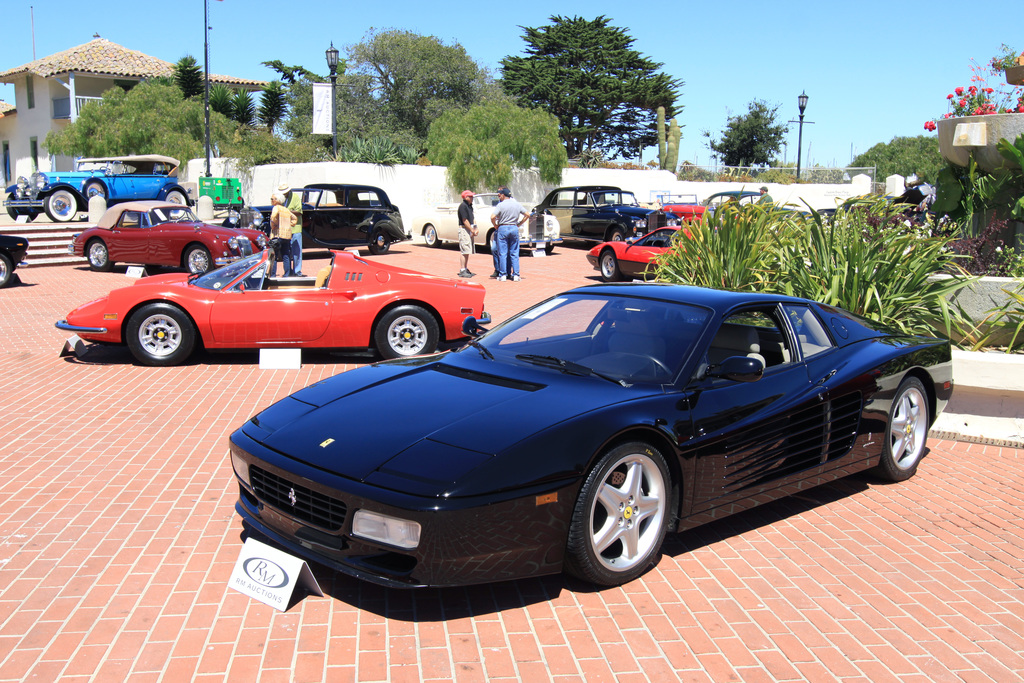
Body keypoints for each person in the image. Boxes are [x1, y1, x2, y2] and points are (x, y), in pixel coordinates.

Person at [490, 186, 529, 282]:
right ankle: (516, 274)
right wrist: (519, 223)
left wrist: (495, 225)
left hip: (503, 227)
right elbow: (527, 214)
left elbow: (492, 216)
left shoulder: (501, 205)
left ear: (503, 195)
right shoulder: (517, 204)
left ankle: (503, 275)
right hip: (514, 227)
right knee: (514, 252)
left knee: (502, 252)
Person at [279, 182, 304, 276]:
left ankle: (297, 271)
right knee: (286, 252)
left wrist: (287, 211)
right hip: (284, 228)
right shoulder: (280, 198)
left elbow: (299, 211)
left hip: (295, 228)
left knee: (296, 251)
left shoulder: (295, 197)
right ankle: (288, 271)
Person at [269, 191, 296, 277]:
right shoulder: (286, 209)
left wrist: (274, 225)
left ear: (277, 200)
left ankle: (272, 274)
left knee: (274, 256)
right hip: (287, 235)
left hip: (278, 234)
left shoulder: (276, 208)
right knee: (286, 255)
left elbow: (273, 217)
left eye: (272, 199)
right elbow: (294, 218)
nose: (271, 200)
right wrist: (288, 225)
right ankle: (287, 274)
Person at [457, 190, 478, 278]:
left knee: (468, 250)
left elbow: (472, 218)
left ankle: (465, 268)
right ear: (465, 197)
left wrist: (475, 228)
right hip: (464, 230)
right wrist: (471, 230)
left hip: (469, 229)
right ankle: (462, 269)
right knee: (464, 250)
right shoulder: (463, 206)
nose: (472, 198)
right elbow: (465, 220)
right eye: (470, 196)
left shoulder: (470, 206)